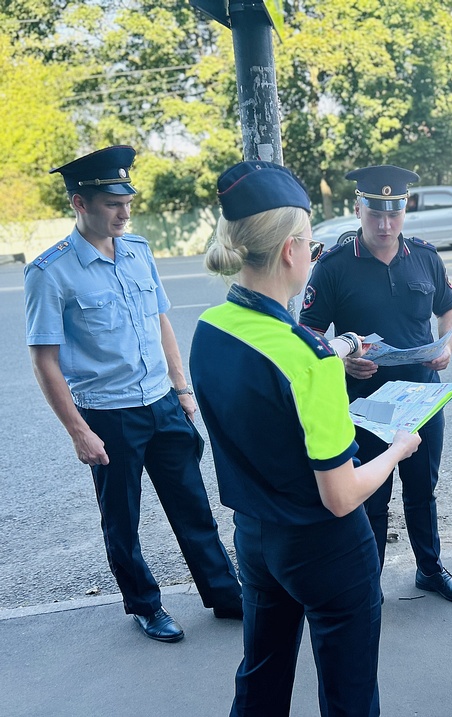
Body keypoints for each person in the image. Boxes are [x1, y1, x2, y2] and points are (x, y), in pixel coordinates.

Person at [190, 160, 421, 717]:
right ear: (291, 251)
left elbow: (272, 365)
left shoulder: (210, 327)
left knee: (263, 671)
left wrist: (341, 349)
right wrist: (395, 450)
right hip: (326, 547)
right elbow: (341, 494)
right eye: (311, 244)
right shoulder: (309, 366)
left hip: (256, 536)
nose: (314, 253)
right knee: (348, 689)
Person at [23, 145, 242, 643]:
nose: (124, 212)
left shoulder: (139, 251)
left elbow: (160, 320)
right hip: (107, 414)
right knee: (121, 520)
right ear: (80, 203)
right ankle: (145, 605)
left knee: (193, 507)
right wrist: (79, 431)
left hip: (162, 402)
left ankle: (227, 596)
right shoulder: (49, 272)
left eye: (127, 201)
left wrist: (182, 390)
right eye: (110, 203)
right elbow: (44, 361)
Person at [300, 165, 452, 605]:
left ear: (404, 210)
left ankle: (430, 570)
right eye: (374, 213)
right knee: (371, 496)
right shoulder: (334, 265)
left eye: (393, 214)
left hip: (422, 398)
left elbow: (450, 311)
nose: (384, 224)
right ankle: (367, 582)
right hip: (365, 402)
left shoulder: (425, 257)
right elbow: (308, 333)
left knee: (422, 491)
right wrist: (342, 364)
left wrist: (447, 345)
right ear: (358, 208)